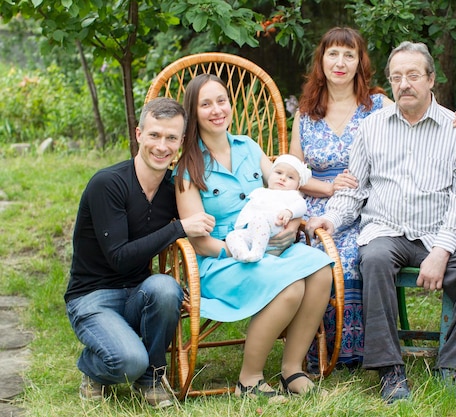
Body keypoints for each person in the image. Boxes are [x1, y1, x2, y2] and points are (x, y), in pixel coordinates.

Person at [306, 41, 456, 403]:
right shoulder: (372, 128)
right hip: (388, 229)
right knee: (374, 259)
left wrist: (442, 250)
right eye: (397, 77)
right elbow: (355, 188)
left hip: (442, 230)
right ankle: (389, 370)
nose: (404, 84)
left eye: (413, 75)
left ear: (431, 80)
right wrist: (331, 218)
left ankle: (454, 364)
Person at [173, 73, 333, 399]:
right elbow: (198, 240)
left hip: (270, 247)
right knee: (290, 286)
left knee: (319, 267)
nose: (217, 110)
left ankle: (292, 369)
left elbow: (283, 185)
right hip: (221, 259)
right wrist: (245, 249)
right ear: (194, 112)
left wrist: (293, 223)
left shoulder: (248, 146)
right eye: (206, 104)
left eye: (221, 101)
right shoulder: (189, 168)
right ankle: (249, 380)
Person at [64, 97, 216, 408]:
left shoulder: (170, 191)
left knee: (164, 287)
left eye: (172, 137)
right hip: (91, 297)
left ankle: (152, 377)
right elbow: (119, 257)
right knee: (127, 363)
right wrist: (178, 228)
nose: (162, 146)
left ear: (182, 141)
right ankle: (94, 367)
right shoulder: (108, 184)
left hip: (137, 293)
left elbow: (203, 227)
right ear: (138, 134)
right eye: (155, 135)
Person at [226, 154, 312, 262]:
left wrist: (289, 212)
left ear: (297, 185)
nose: (283, 178)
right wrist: (240, 225)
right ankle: (244, 255)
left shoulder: (292, 195)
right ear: (270, 175)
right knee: (233, 235)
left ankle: (256, 253)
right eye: (279, 173)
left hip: (274, 232)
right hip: (253, 234)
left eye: (290, 177)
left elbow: (302, 206)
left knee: (259, 219)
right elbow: (248, 209)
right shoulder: (260, 192)